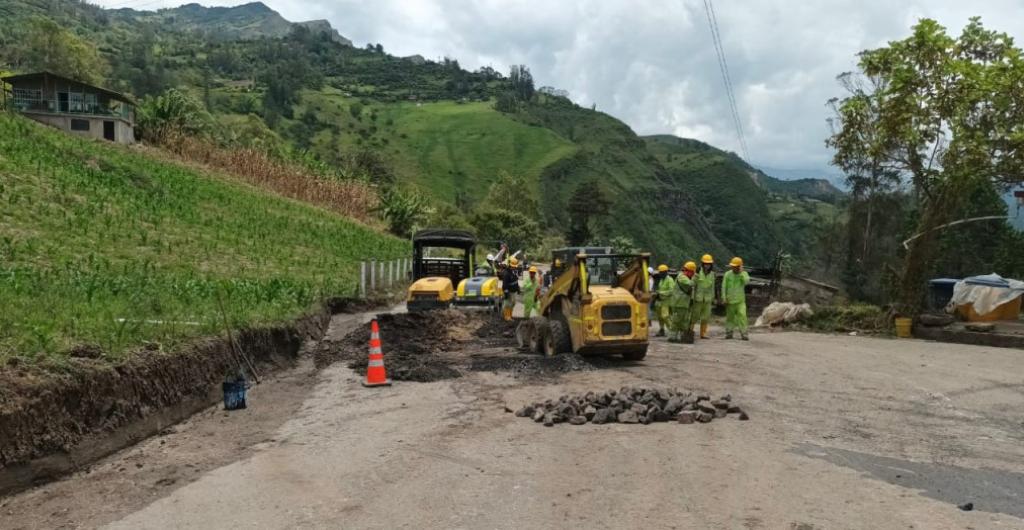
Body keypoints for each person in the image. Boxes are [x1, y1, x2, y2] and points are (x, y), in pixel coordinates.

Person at [721, 256, 751, 340]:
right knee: (730, 318)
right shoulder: (727, 274)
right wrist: (724, 298)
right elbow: (724, 286)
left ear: (739, 267)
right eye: (733, 266)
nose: (733, 268)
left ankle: (744, 334)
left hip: (740, 301)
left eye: (735, 266)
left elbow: (746, 281)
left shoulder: (744, 274)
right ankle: (729, 333)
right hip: (730, 301)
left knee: (742, 316)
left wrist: (741, 273)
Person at [690, 254, 716, 339]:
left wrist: (713, 297)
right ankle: (690, 331)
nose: (707, 265)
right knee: (694, 316)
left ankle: (703, 333)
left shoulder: (712, 274)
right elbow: (693, 284)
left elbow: (712, 287)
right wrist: (692, 297)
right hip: (698, 298)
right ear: (702, 263)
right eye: (705, 263)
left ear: (711, 265)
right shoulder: (697, 272)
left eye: (708, 264)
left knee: (705, 317)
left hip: (707, 299)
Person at [670, 261, 697, 343]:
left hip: (684, 303)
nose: (693, 274)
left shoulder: (686, 276)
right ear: (689, 271)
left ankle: (682, 337)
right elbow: (691, 284)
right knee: (677, 320)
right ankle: (672, 337)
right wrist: (696, 277)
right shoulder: (681, 277)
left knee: (684, 321)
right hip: (679, 303)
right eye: (692, 272)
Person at [653, 264, 673, 337]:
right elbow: (661, 289)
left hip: (666, 301)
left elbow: (671, 291)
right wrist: (656, 293)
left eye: (662, 272)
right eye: (660, 272)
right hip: (660, 300)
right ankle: (662, 330)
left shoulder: (669, 279)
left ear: (665, 272)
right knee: (659, 316)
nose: (660, 274)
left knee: (665, 316)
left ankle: (672, 331)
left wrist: (660, 293)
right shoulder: (662, 279)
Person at [501, 257, 521, 321]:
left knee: (513, 303)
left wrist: (518, 288)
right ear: (509, 265)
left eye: (515, 266)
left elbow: (515, 281)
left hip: (513, 291)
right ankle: (506, 316)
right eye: (513, 266)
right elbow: (504, 284)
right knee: (507, 304)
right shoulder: (506, 273)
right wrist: (506, 292)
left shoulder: (514, 272)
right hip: (509, 291)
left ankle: (510, 315)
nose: (514, 267)